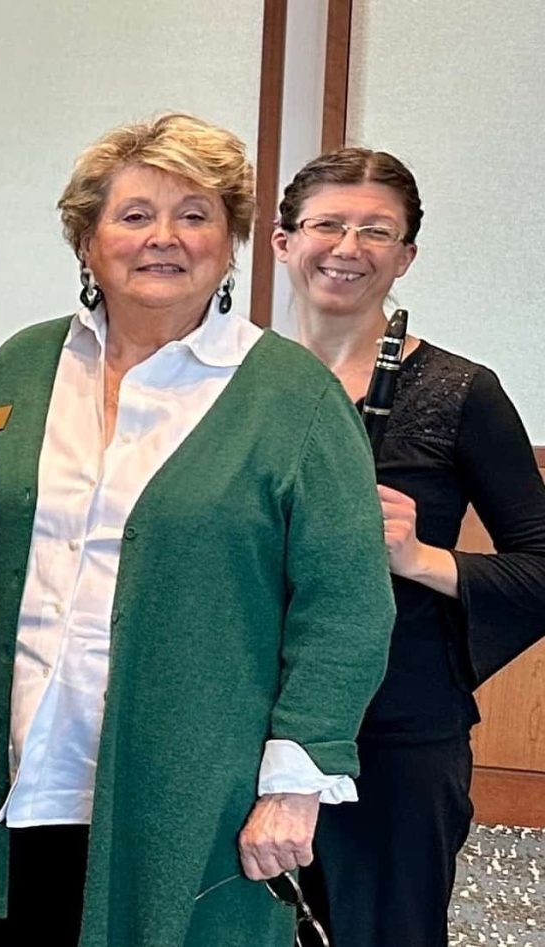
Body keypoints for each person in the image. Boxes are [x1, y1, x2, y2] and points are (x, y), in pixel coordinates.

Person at [0, 114, 393, 947]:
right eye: (133, 216)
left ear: (230, 240)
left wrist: (298, 775)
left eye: (194, 215)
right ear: (88, 241)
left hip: (195, 790)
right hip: (19, 769)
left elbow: (345, 605)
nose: (164, 238)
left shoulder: (292, 397)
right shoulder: (21, 364)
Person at [272, 148, 545, 947]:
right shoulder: (232, 380)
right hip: (250, 712)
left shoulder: (463, 390)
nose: (348, 247)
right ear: (284, 241)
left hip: (395, 726)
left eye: (376, 231)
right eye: (326, 224)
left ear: (406, 256)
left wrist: (418, 556)